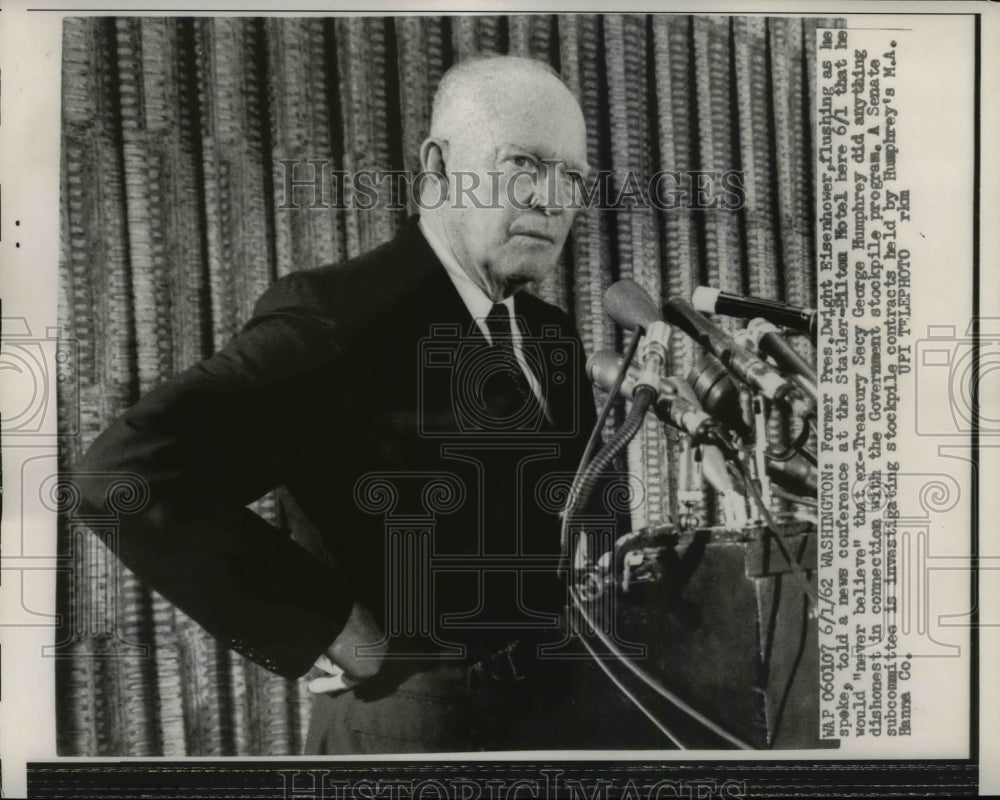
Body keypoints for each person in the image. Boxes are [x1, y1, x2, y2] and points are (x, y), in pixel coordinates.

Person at [77, 54, 650, 753]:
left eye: (574, 178)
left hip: (562, 717)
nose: (552, 199)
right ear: (438, 167)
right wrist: (343, 635)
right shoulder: (341, 316)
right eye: (523, 163)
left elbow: (586, 519)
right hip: (414, 736)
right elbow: (125, 475)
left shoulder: (547, 332)